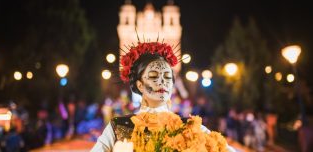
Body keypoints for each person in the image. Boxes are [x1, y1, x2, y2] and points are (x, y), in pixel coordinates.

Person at [91, 41, 235, 152]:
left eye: (167, 77)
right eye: (154, 76)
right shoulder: (119, 126)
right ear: (140, 84)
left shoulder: (189, 126)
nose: (162, 82)